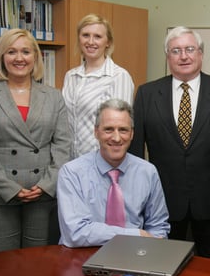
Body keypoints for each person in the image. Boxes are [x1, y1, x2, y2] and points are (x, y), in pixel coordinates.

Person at [130, 26, 210, 257]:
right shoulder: (147, 94)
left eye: (190, 49)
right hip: (162, 203)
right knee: (163, 268)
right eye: (176, 50)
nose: (184, 56)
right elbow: (135, 154)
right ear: (167, 56)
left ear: (201, 54)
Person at [0, 28, 71, 253]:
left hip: (41, 195)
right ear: (2, 57)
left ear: (35, 56)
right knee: (3, 269)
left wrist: (45, 185)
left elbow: (63, 146)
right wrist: (9, 187)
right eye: (11, 51)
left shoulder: (53, 96)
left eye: (25, 51)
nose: (19, 58)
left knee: (38, 267)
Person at [57, 98, 170, 247]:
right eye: (108, 129)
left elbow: (159, 227)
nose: (116, 138)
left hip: (134, 255)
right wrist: (136, 235)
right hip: (82, 255)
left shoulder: (147, 172)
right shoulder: (71, 173)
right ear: (96, 132)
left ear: (132, 134)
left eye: (123, 130)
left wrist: (152, 248)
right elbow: (75, 232)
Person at [62, 13, 134, 158]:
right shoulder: (70, 76)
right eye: (85, 35)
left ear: (108, 42)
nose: (91, 41)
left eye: (98, 36)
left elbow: (121, 127)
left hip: (101, 161)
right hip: (70, 161)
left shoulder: (118, 76)